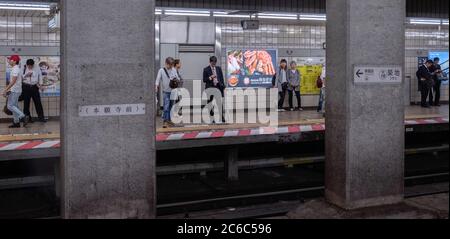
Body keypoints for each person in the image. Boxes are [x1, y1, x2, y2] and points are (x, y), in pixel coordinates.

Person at [2, 55, 29, 128]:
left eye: (10, 60)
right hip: (15, 90)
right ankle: (16, 122)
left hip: (15, 90)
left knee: (10, 106)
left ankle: (23, 116)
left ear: (14, 61)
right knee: (15, 106)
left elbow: (13, 81)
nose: (9, 61)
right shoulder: (15, 68)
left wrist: (5, 90)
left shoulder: (15, 69)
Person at [155, 57, 178, 128]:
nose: (171, 66)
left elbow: (178, 78)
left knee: (171, 107)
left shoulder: (173, 69)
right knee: (166, 107)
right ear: (166, 63)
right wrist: (156, 86)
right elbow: (158, 79)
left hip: (173, 91)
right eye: (170, 65)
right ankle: (165, 121)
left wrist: (175, 79)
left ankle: (169, 121)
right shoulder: (161, 70)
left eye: (172, 65)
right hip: (166, 92)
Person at [203, 56, 225, 123]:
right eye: (213, 63)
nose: (214, 65)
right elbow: (204, 80)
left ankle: (222, 117)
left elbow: (221, 78)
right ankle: (212, 117)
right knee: (210, 103)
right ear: (210, 62)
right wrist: (210, 77)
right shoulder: (206, 69)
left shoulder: (218, 68)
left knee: (219, 103)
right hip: (210, 88)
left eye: (215, 63)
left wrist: (223, 86)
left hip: (217, 88)